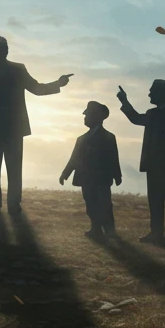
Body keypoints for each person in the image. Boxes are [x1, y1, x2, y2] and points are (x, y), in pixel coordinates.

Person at [0, 35, 72, 215]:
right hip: (9, 130)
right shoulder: (14, 70)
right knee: (12, 170)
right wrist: (58, 84)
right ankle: (11, 205)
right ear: (4, 50)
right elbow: (37, 89)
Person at [116, 78, 165, 245]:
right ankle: (156, 234)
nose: (149, 93)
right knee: (155, 201)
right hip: (154, 166)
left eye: (152, 90)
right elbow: (135, 118)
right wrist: (124, 101)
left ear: (161, 93)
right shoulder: (152, 113)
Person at [59, 101, 122, 240]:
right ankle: (96, 228)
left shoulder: (108, 137)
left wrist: (117, 175)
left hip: (101, 178)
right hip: (87, 179)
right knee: (90, 204)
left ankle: (109, 230)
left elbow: (113, 158)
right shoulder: (81, 139)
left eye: (88, 115)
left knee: (105, 204)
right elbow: (74, 158)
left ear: (97, 117)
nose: (85, 118)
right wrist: (65, 173)